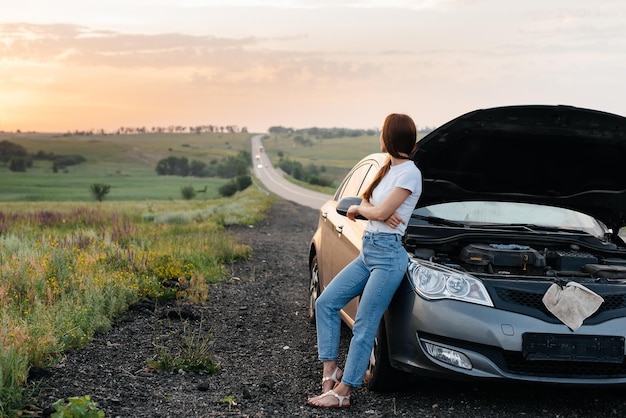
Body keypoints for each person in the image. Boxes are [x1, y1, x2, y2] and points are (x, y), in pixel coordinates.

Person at [307, 113, 422, 409]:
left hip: (387, 257)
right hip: (369, 251)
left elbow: (375, 210)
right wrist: (372, 209)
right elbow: (368, 202)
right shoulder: (386, 168)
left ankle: (343, 392)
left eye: (382, 132)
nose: (379, 136)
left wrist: (369, 210)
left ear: (390, 136)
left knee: (364, 324)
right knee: (326, 303)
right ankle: (330, 371)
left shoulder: (409, 172)